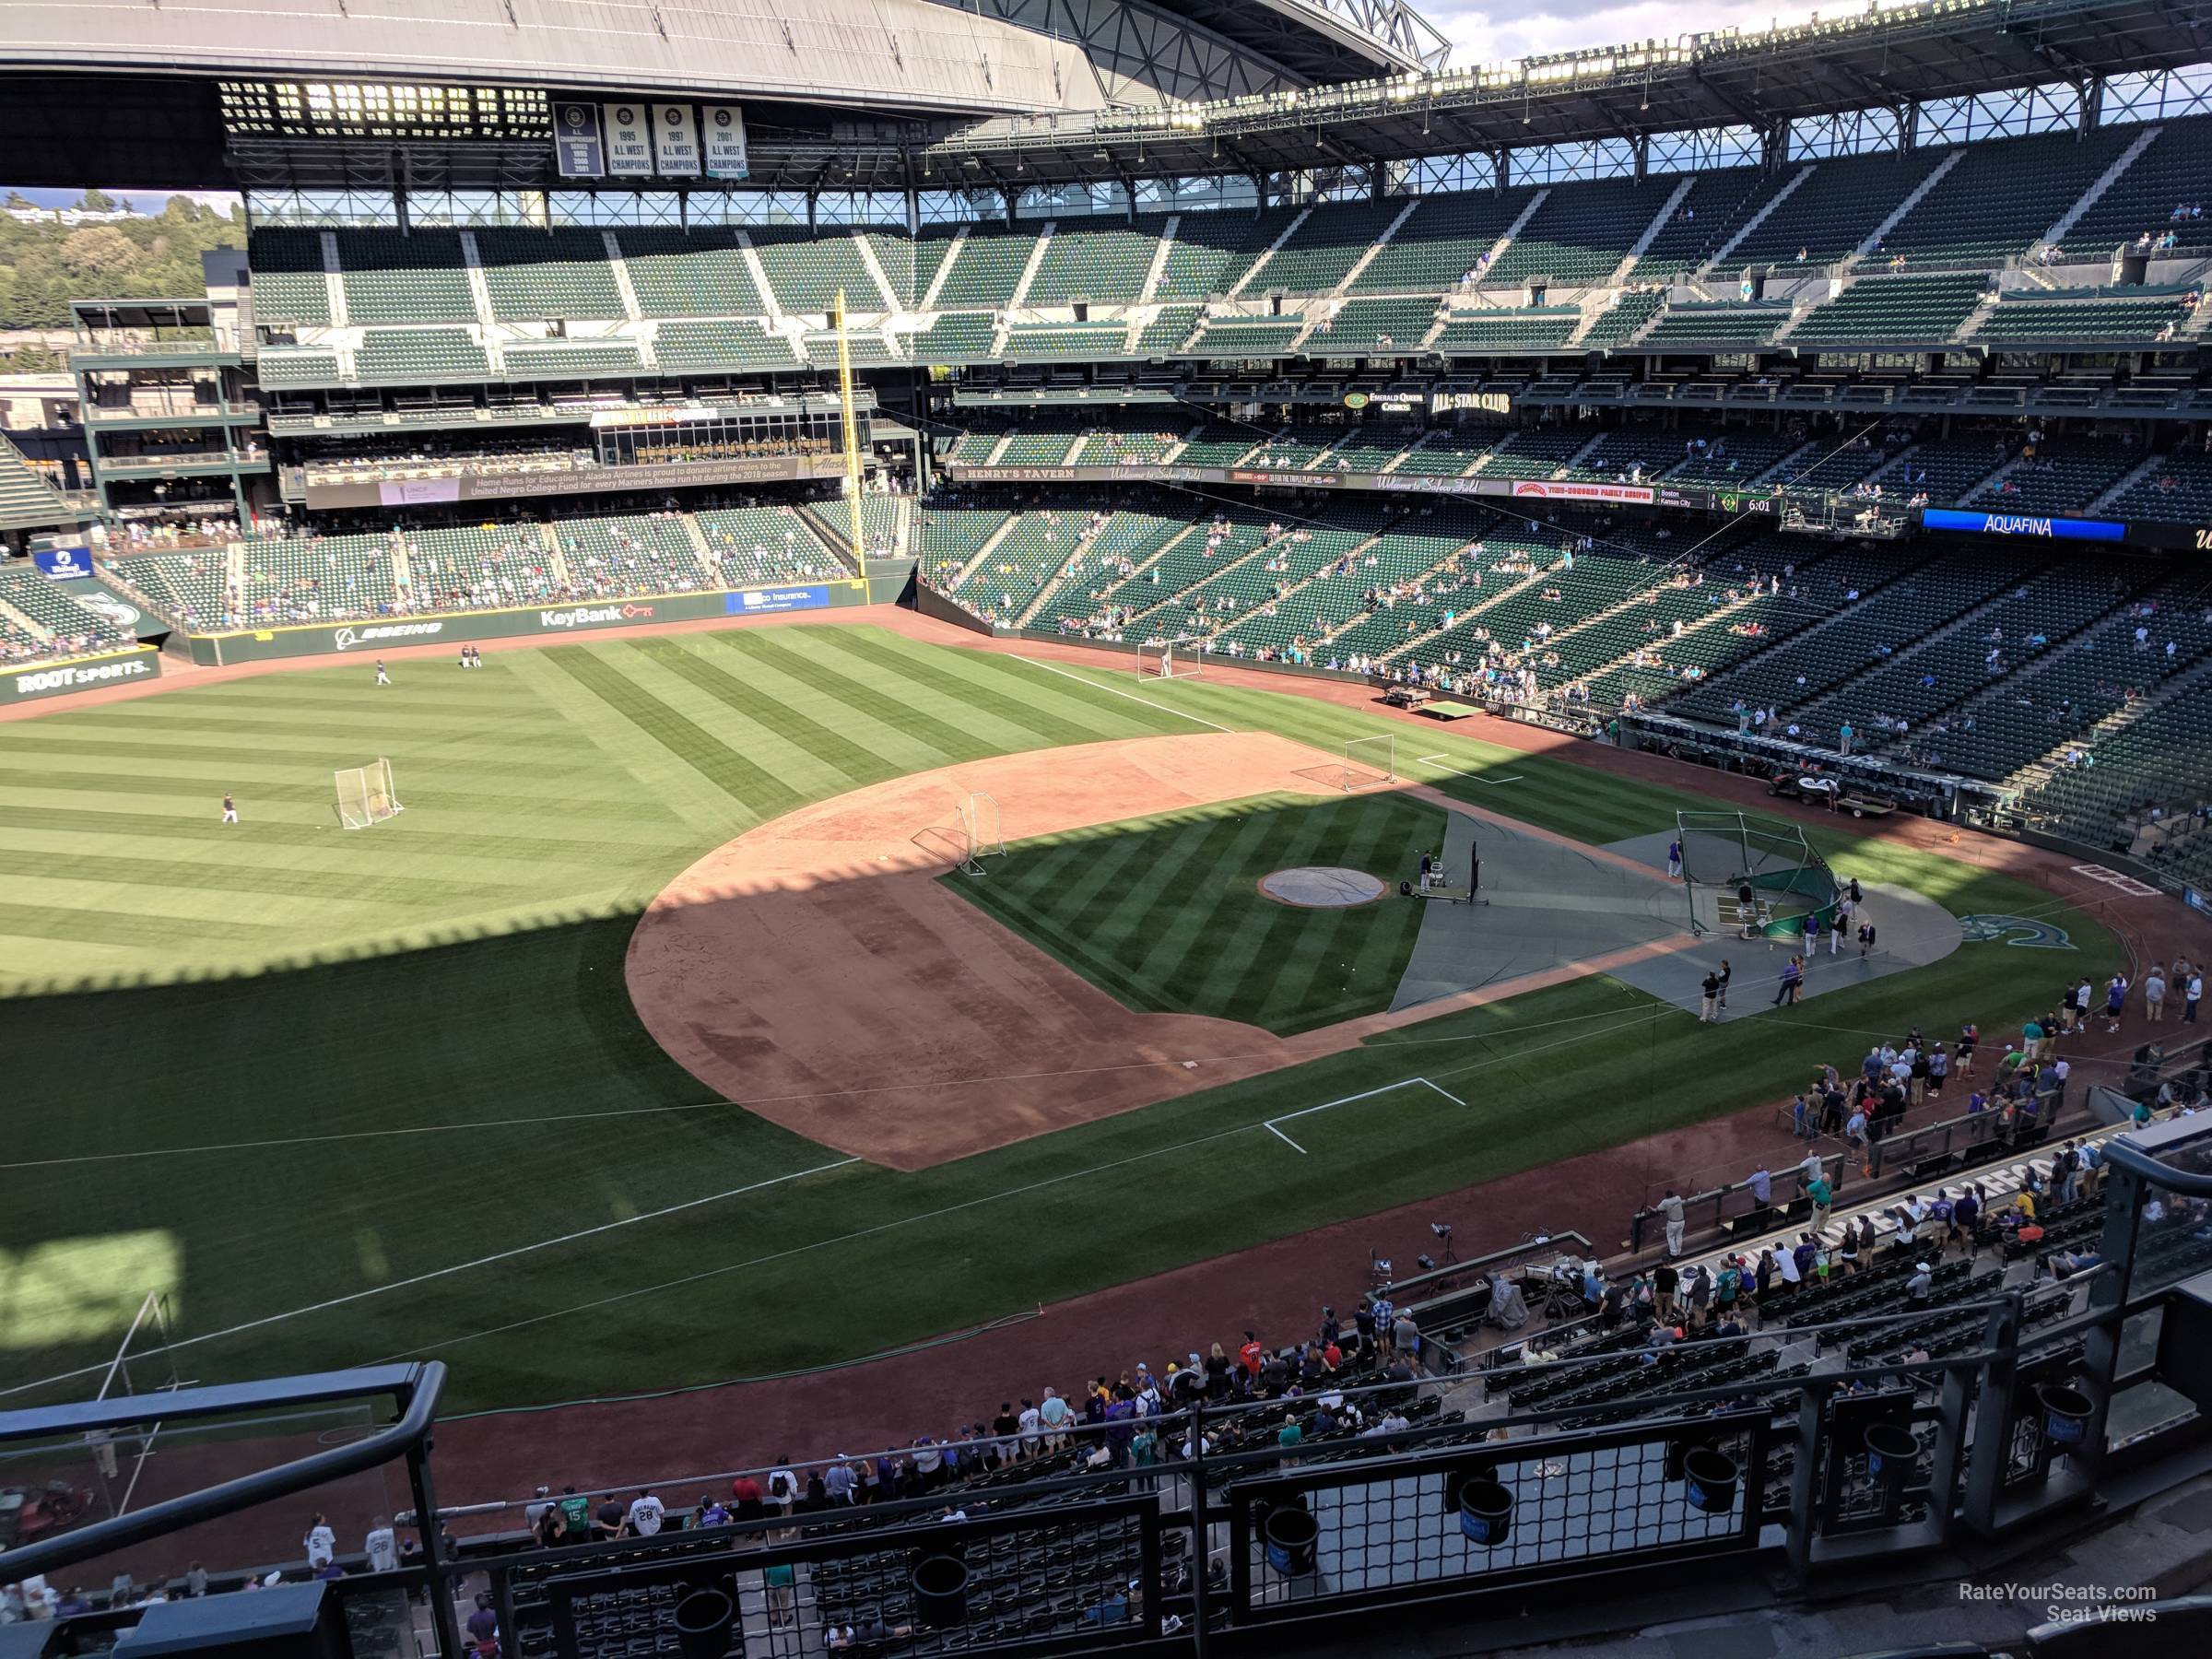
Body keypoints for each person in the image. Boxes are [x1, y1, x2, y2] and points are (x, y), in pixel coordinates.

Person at [1660, 1188, 1686, 1257]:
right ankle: (1678, 1252)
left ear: (1666, 1195)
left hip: (1673, 1223)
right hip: (1682, 1222)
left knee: (1670, 1237)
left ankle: (1673, 1253)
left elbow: (1658, 1209)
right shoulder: (1678, 1198)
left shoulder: (1665, 1202)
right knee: (1679, 1236)